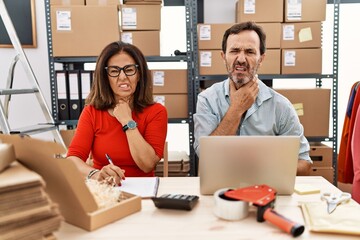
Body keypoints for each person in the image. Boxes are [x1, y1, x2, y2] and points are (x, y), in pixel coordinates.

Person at [193, 21, 312, 176]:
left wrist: (261, 168)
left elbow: (304, 164)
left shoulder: (281, 106)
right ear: (223, 57)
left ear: (261, 59)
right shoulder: (207, 100)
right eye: (234, 50)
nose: (241, 59)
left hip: (265, 192)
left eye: (249, 52)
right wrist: (237, 108)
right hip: (220, 193)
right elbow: (206, 156)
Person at [66, 41, 168, 185]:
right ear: (105, 77)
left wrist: (127, 121)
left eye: (129, 69)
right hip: (106, 189)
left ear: (139, 75)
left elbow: (147, 164)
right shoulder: (92, 112)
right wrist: (96, 174)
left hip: (143, 191)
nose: (122, 77)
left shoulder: (156, 112)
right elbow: (72, 159)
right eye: (114, 71)